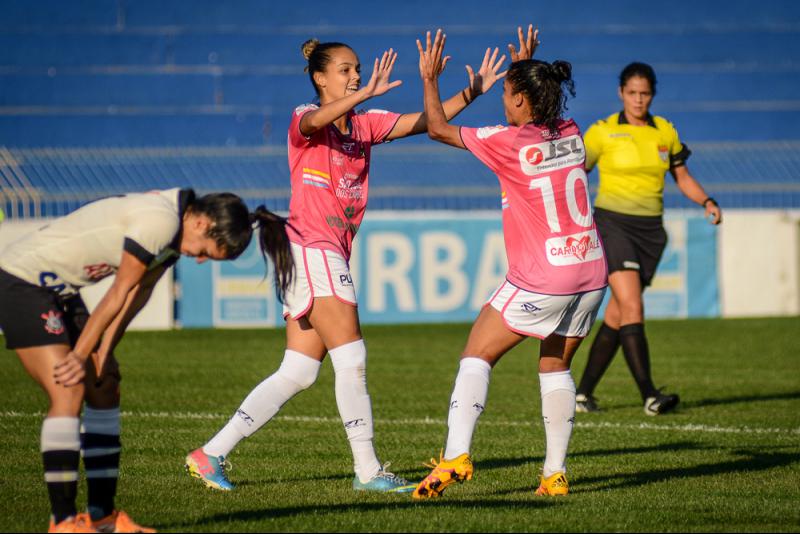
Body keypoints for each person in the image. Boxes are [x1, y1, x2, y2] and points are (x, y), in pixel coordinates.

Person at [184, 36, 508, 494]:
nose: (356, 75)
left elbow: (426, 122)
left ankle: (210, 454)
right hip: (313, 248)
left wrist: (471, 91)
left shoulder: (364, 124)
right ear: (320, 78)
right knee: (352, 359)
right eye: (345, 70)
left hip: (318, 252)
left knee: (298, 372)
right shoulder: (305, 118)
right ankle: (368, 470)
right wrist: (364, 94)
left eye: (357, 69)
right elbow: (314, 120)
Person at [0, 188, 293, 533]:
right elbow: (119, 290)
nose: (200, 260)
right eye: (205, 252)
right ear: (202, 223)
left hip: (59, 291)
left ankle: (103, 519)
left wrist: (104, 352)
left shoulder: (173, 234)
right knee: (69, 389)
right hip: (21, 281)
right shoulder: (160, 220)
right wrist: (80, 356)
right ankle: (63, 522)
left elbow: (138, 296)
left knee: (105, 386)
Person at [411, 27, 608, 499]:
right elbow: (542, 119)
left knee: (476, 355)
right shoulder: (572, 131)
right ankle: (554, 475)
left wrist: (430, 80)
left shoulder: (508, 141)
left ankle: (456, 456)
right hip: (591, 271)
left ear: (521, 99)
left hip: (544, 276)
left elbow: (437, 128)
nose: (502, 100)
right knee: (555, 367)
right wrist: (527, 68)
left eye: (506, 92)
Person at [574, 62, 722, 416]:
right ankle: (650, 396)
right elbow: (575, 175)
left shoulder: (664, 131)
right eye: (632, 93)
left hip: (651, 232)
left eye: (645, 93)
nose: (638, 99)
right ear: (621, 93)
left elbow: (682, 176)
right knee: (633, 307)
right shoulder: (602, 132)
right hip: (612, 225)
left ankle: (582, 394)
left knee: (618, 313)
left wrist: (707, 201)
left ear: (652, 94)